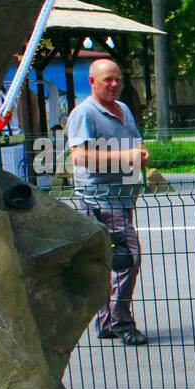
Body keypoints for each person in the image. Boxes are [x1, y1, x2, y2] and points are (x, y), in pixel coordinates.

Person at [67, 58, 150, 346]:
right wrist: (124, 157)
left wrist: (141, 153)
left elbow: (135, 143)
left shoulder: (123, 109)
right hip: (101, 199)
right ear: (92, 82)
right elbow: (79, 156)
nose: (114, 84)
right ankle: (120, 322)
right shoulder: (85, 113)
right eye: (107, 80)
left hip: (123, 196)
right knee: (127, 259)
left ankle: (106, 322)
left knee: (112, 261)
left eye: (117, 79)